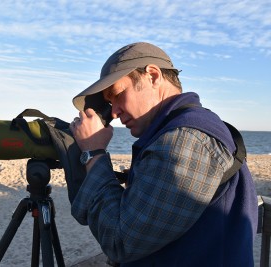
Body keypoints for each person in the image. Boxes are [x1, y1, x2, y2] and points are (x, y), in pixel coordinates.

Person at [68, 42, 258, 266]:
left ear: (153, 76)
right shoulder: (183, 130)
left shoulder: (185, 140)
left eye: (118, 94)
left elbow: (121, 241)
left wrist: (93, 152)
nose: (115, 113)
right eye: (110, 104)